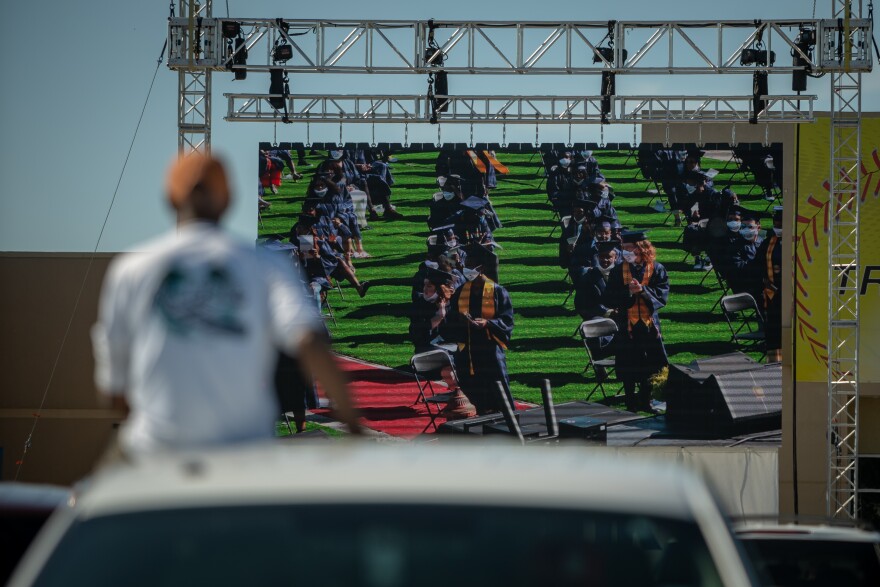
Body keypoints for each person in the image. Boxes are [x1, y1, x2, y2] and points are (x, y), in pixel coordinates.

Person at [91, 153, 362, 457]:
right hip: (241, 452)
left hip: (157, 454)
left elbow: (114, 391)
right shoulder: (265, 265)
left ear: (170, 197)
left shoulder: (131, 269)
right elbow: (308, 341)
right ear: (228, 199)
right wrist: (353, 426)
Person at [440, 246, 515, 415]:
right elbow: (449, 323)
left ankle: (509, 424)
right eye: (466, 264)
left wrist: (488, 323)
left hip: (490, 351)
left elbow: (507, 320)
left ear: (481, 268)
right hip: (467, 351)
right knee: (473, 392)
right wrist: (456, 316)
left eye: (470, 265)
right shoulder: (460, 291)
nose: (466, 268)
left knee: (498, 391)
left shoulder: (497, 292)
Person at [602, 231, 669, 413]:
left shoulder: (656, 269)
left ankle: (646, 401)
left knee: (651, 365)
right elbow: (608, 298)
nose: (625, 252)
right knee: (628, 366)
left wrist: (643, 291)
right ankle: (630, 404)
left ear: (640, 248)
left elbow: (662, 295)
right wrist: (629, 292)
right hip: (627, 325)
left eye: (628, 248)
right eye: (623, 249)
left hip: (649, 326)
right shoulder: (618, 270)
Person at [756, 206, 783, 362]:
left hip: (795, 297)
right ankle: (775, 365)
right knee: (774, 334)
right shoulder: (768, 244)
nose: (778, 227)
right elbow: (758, 267)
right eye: (776, 224)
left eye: (781, 225)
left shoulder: (800, 242)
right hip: (773, 296)